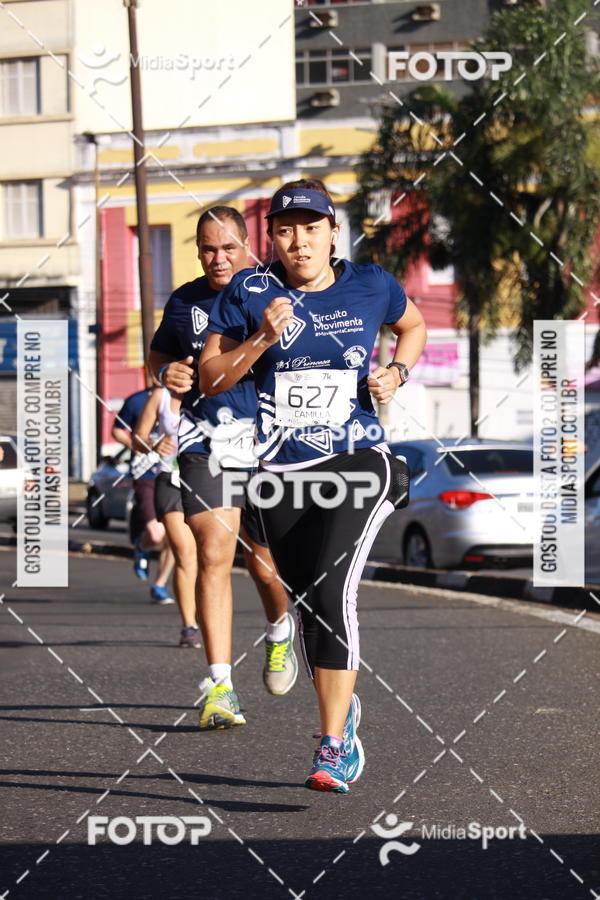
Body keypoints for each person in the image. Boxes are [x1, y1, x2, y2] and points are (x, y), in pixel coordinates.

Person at [199, 178, 427, 791]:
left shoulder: (371, 284)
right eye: (284, 229)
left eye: (310, 228)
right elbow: (213, 378)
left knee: (331, 587)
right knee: (306, 602)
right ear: (271, 238)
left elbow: (414, 325)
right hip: (279, 474)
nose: (297, 241)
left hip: (357, 460)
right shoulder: (250, 291)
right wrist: (263, 338)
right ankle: (344, 711)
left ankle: (332, 746)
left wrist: (396, 373)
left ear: (333, 233)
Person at [148, 206, 298, 729]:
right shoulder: (184, 301)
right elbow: (159, 353)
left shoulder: (276, 294)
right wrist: (165, 372)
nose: (219, 257)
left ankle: (280, 632)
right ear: (197, 249)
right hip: (204, 441)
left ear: (248, 245)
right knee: (214, 550)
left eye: (229, 247)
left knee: (263, 563)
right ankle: (220, 687)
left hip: (270, 443)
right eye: (209, 248)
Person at [134, 386, 200, 648]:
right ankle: (189, 625)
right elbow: (137, 438)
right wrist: (153, 443)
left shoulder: (217, 387)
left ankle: (209, 614)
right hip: (171, 480)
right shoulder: (160, 396)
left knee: (212, 556)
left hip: (211, 481)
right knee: (185, 554)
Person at [112, 389, 175, 605]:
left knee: (175, 537)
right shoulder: (137, 400)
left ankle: (160, 585)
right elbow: (118, 431)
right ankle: (143, 544)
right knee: (157, 535)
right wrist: (144, 446)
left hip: (174, 475)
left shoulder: (189, 396)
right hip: (145, 473)